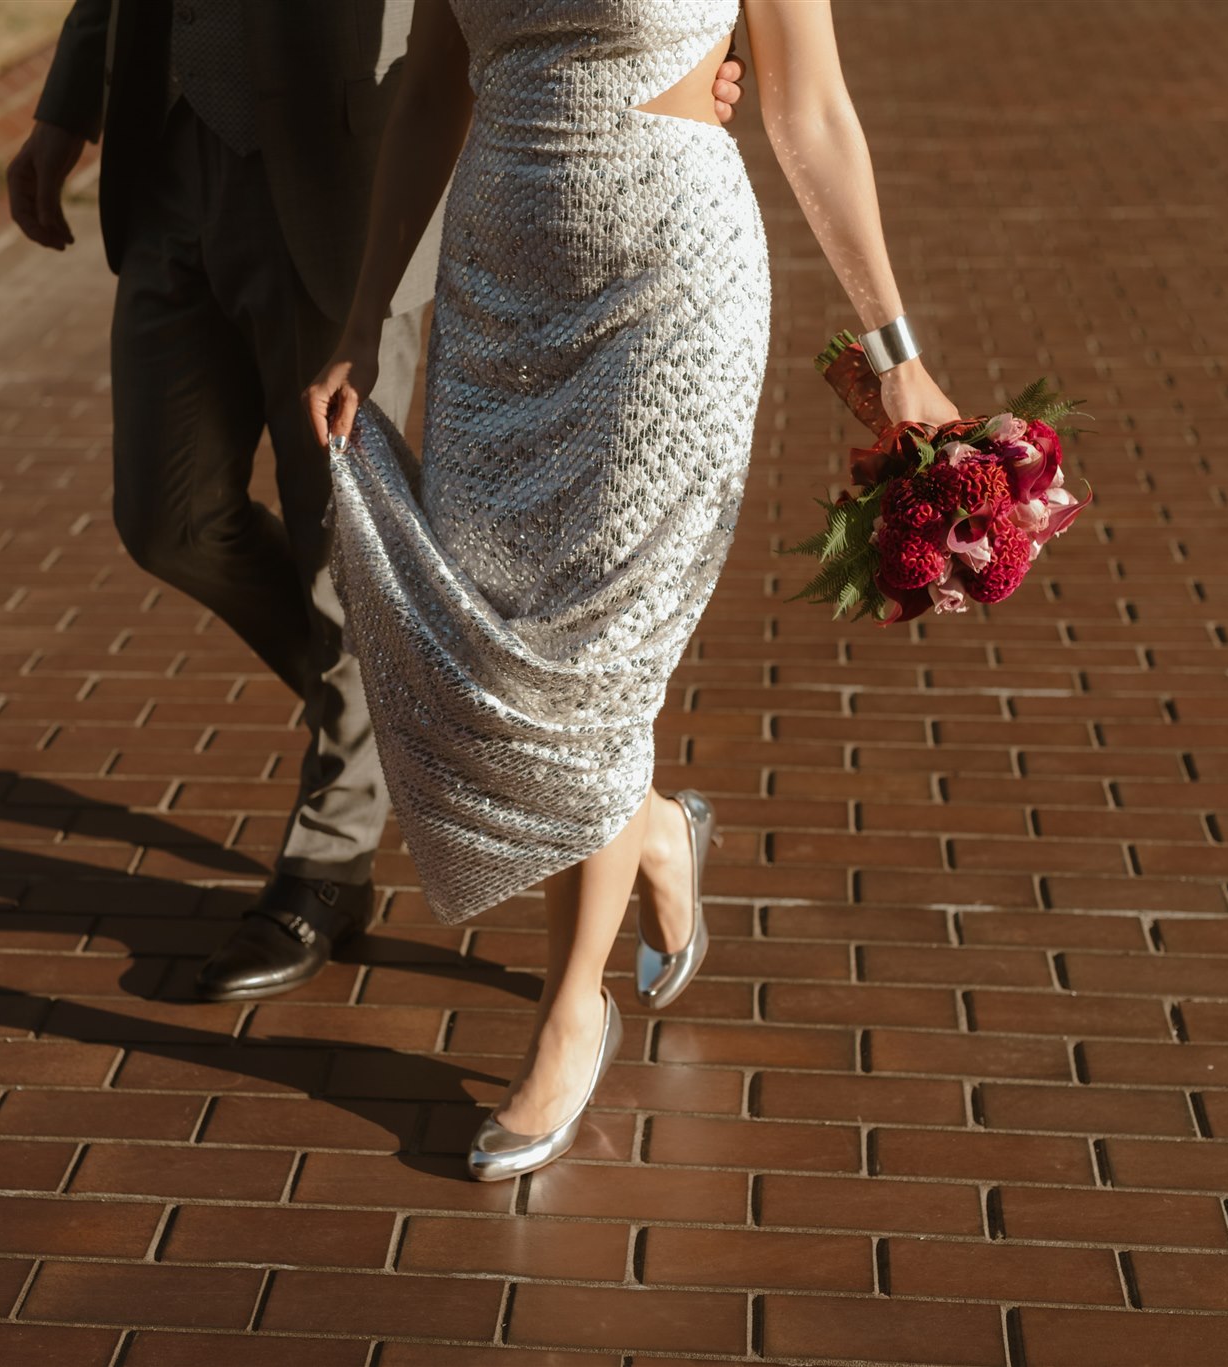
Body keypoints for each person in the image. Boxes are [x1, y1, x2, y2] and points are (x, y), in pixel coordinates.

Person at [306, 0, 960, 1180]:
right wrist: (364, 314)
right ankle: (654, 828)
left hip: (670, 287)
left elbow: (805, 105)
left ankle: (571, 1011)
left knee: (596, 652)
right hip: (494, 288)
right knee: (506, 637)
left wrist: (894, 352)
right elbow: (428, 87)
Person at [6, 2, 747, 1003]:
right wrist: (66, 107)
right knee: (165, 518)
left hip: (339, 170)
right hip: (171, 151)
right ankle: (552, 774)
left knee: (345, 545)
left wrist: (674, 55)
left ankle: (329, 859)